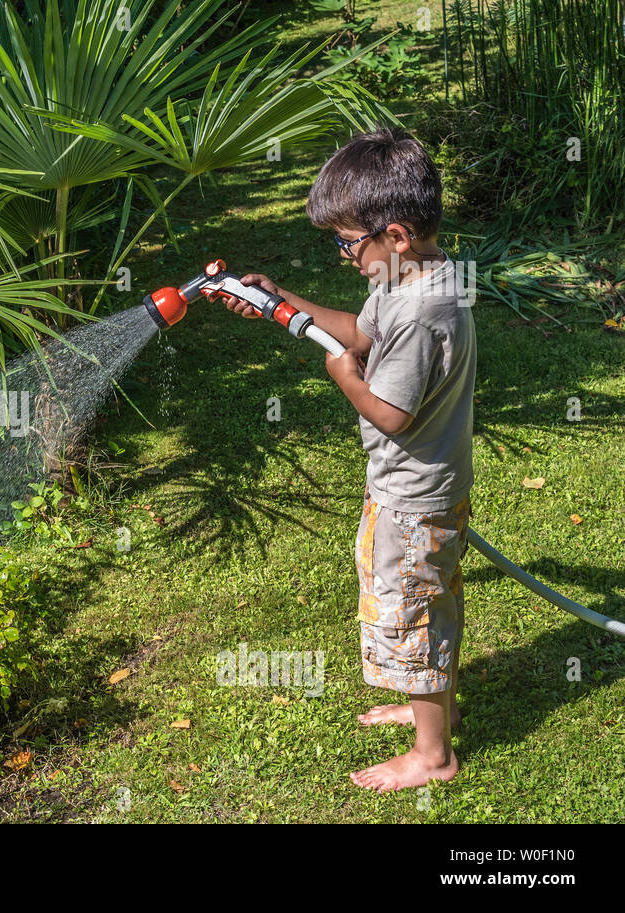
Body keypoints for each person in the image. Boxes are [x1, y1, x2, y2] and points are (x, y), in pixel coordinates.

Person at [219, 126, 476, 792]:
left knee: (411, 615)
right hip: (423, 487)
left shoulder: (424, 309)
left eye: (345, 242)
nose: (340, 255)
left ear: (393, 234)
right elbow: (361, 332)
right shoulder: (411, 275)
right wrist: (281, 304)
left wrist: (345, 378)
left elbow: (390, 411)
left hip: (411, 499)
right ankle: (427, 715)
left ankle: (433, 755)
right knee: (428, 608)